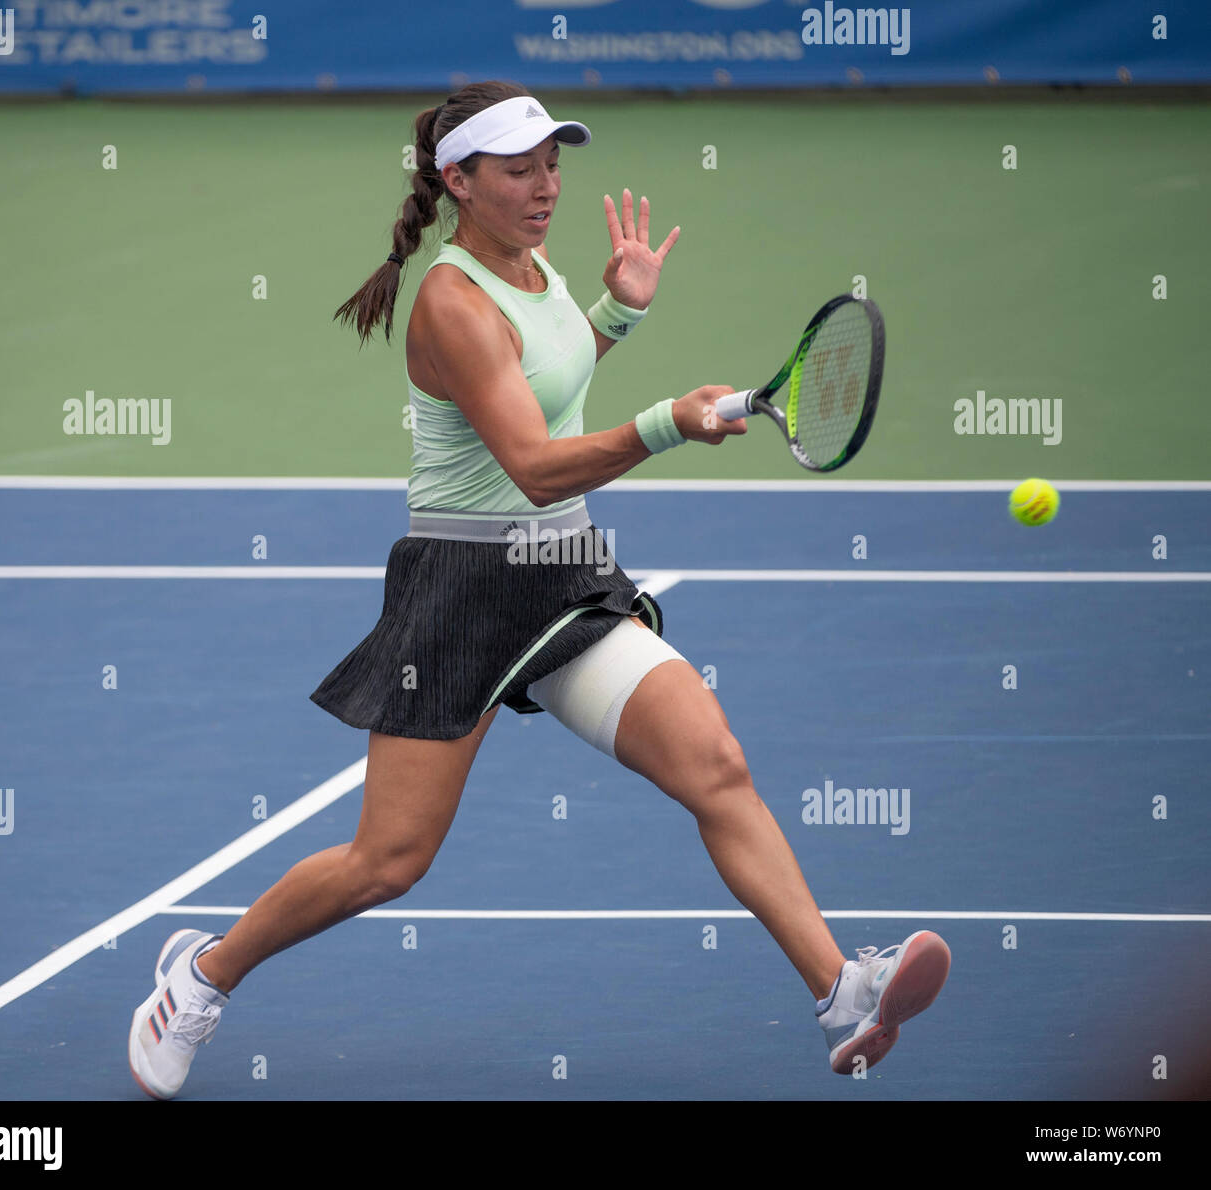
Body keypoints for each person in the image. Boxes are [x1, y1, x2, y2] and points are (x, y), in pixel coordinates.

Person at [128, 80, 950, 1100]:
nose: (547, 183)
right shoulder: (450, 299)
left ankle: (841, 988)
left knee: (716, 763)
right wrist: (666, 422)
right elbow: (533, 460)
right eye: (519, 167)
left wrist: (614, 311)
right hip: (463, 591)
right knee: (388, 860)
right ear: (458, 181)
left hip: (562, 577)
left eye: (553, 161)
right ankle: (201, 974)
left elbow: (545, 378)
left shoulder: (531, 267)